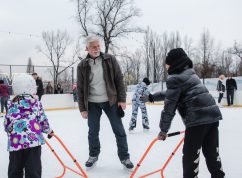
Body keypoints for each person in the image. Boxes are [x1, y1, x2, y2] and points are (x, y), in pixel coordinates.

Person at [157, 48, 225, 178]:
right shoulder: (190, 74)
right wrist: (151, 97)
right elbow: (171, 94)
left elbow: (169, 107)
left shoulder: (174, 79)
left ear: (172, 63)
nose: (166, 66)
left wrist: (163, 130)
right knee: (212, 154)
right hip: (212, 116)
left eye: (167, 63)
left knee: (190, 157)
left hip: (197, 120)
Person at [77, 36, 133, 170]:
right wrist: (82, 108)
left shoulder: (110, 59)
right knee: (93, 131)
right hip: (92, 103)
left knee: (119, 130)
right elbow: (80, 88)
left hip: (111, 101)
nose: (96, 49)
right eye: (93, 47)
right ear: (87, 49)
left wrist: (121, 99)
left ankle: (125, 157)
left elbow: (119, 79)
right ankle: (93, 155)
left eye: (98, 46)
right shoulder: (82, 65)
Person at [4, 73, 53, 178]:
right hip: (33, 142)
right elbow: (43, 120)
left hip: (15, 142)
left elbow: (6, 124)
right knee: (33, 169)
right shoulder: (36, 103)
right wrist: (49, 131)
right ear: (31, 88)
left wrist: (12, 131)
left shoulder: (10, 104)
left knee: (15, 169)